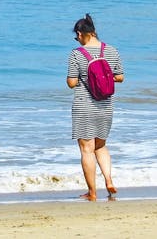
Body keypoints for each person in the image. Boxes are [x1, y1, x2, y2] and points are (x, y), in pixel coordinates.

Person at [66, 13, 124, 200]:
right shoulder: (112, 50)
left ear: (81, 34)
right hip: (106, 104)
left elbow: (72, 82)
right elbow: (120, 77)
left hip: (85, 105)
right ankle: (109, 180)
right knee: (101, 145)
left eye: (77, 37)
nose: (77, 40)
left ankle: (92, 192)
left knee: (86, 149)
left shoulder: (77, 54)